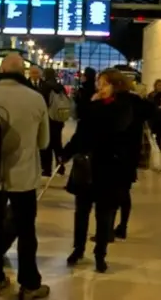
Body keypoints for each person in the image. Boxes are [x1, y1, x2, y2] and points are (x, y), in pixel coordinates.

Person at [0, 53, 51, 299]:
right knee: (26, 231)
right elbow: (44, 141)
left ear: (1, 70)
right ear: (23, 72)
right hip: (23, 178)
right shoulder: (36, 99)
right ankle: (29, 284)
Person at [61, 68, 152, 273]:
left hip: (112, 168)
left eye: (104, 83)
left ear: (115, 85)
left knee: (104, 214)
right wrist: (66, 153)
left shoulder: (127, 106)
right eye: (99, 83)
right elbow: (81, 134)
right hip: (88, 166)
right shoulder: (95, 106)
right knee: (81, 212)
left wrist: (99, 105)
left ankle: (100, 253)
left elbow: (124, 124)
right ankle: (78, 248)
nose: (99, 87)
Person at [39, 68, 67, 177]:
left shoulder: (45, 87)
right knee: (57, 144)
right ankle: (60, 167)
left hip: (47, 119)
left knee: (46, 145)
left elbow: (42, 103)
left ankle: (47, 169)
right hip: (58, 120)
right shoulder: (60, 86)